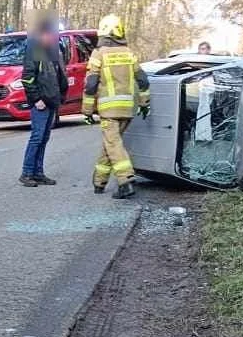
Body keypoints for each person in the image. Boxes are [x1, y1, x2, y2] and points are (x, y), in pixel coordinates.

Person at [83, 14, 150, 199]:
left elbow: (90, 85)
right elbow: (143, 80)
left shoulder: (99, 54)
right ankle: (99, 182)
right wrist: (145, 103)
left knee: (113, 144)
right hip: (128, 109)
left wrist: (87, 111)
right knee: (111, 144)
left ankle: (125, 180)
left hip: (109, 110)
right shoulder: (129, 53)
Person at [18, 19, 68, 187]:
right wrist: (36, 99)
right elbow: (27, 78)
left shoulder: (52, 50)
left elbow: (57, 75)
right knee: (37, 137)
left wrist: (60, 95)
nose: (56, 37)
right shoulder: (35, 48)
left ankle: (38, 173)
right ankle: (26, 172)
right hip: (40, 102)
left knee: (44, 138)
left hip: (51, 101)